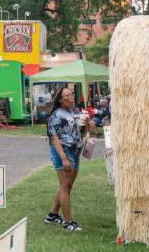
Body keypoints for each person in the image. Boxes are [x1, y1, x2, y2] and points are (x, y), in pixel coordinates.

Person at [44, 87, 87, 231]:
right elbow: (54, 138)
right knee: (65, 186)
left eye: (72, 94)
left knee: (66, 185)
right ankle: (68, 222)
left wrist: (86, 124)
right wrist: (64, 159)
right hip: (63, 152)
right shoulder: (56, 115)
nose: (72, 97)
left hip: (74, 151)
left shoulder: (74, 112)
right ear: (61, 100)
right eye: (68, 95)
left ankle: (52, 215)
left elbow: (82, 132)